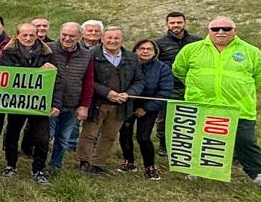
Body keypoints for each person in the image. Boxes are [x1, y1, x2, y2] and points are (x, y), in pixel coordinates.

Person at [171, 16, 261, 188]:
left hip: (238, 107)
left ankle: (256, 174)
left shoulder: (251, 51)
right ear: (209, 31)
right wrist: (196, 87)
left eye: (226, 29)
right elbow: (179, 70)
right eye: (215, 29)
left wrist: (241, 90)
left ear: (235, 31)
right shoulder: (192, 49)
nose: (220, 32)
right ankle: (196, 170)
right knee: (201, 140)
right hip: (203, 105)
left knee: (246, 141)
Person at [77, 26, 143, 173]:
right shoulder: (91, 55)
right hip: (96, 102)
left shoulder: (131, 58)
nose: (112, 41)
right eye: (109, 38)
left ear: (122, 40)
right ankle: (84, 162)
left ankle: (99, 164)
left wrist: (129, 93)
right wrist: (106, 92)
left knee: (109, 135)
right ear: (102, 39)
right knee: (89, 134)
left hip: (121, 105)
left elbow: (139, 81)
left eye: (116, 38)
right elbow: (87, 80)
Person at [0, 23, 55, 184]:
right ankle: (11, 165)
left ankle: (38, 169)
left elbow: (54, 78)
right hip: (17, 101)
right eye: (24, 35)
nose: (28, 38)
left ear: (37, 35)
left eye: (32, 35)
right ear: (17, 36)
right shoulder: (8, 52)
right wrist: (39, 71)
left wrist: (54, 103)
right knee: (12, 133)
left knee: (42, 138)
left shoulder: (47, 53)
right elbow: (10, 75)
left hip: (38, 102)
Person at [119, 38, 174, 178]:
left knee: (143, 137)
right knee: (125, 133)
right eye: (142, 48)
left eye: (149, 49)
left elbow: (165, 91)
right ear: (135, 50)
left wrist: (147, 108)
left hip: (150, 107)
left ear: (155, 52)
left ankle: (150, 166)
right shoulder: (127, 64)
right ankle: (128, 162)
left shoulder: (162, 68)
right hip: (128, 104)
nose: (145, 51)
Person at [47, 23, 96, 173]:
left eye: (72, 36)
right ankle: (39, 165)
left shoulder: (86, 55)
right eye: (64, 35)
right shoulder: (48, 49)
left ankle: (55, 166)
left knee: (63, 139)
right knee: (45, 137)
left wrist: (84, 106)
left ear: (80, 37)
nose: (67, 38)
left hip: (72, 102)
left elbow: (88, 81)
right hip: (50, 102)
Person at [154, 11, 201, 94]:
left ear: (185, 23)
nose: (176, 25)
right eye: (172, 23)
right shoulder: (157, 43)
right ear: (167, 24)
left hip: (195, 85)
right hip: (169, 86)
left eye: (179, 22)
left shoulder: (197, 41)